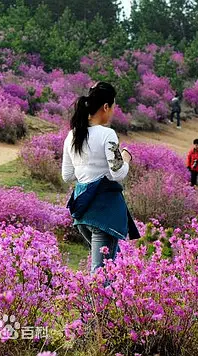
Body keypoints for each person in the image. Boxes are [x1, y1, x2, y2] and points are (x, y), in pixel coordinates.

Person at [61, 82, 139, 274]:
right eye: (113, 107)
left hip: (82, 212)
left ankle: (117, 301)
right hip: (104, 212)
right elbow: (118, 173)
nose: (113, 111)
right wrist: (126, 158)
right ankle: (97, 304)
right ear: (106, 106)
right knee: (101, 273)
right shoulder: (107, 134)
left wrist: (87, 169)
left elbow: (67, 175)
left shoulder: (72, 135)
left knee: (113, 262)